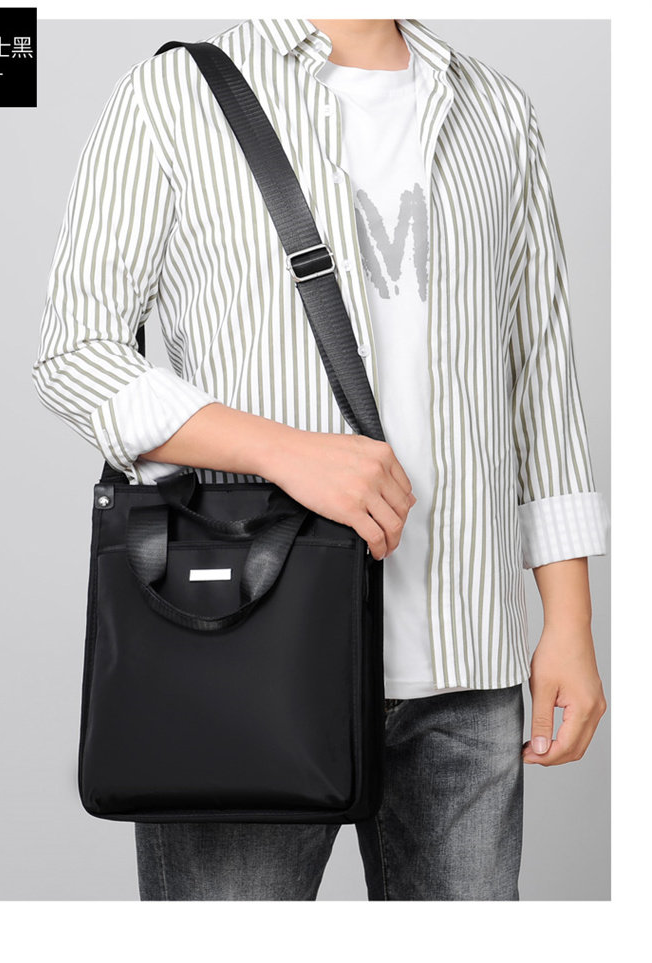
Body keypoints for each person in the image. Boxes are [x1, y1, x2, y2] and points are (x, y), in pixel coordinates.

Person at [32, 18, 610, 900]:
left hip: (468, 664)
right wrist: (284, 453)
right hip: (247, 650)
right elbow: (76, 352)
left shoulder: (497, 112)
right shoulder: (174, 97)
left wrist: (569, 620)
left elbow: (539, 372)